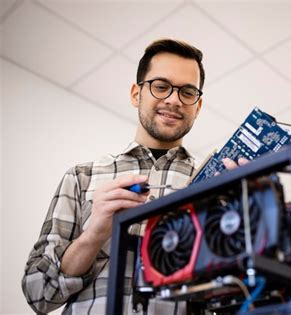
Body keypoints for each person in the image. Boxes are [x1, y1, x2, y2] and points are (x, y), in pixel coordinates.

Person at [22, 38, 244, 315]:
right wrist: (94, 235)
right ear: (136, 94)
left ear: (197, 107)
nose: (174, 100)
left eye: (187, 92)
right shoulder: (81, 177)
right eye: (161, 87)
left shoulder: (217, 185)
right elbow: (38, 294)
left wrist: (246, 216)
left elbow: (238, 292)